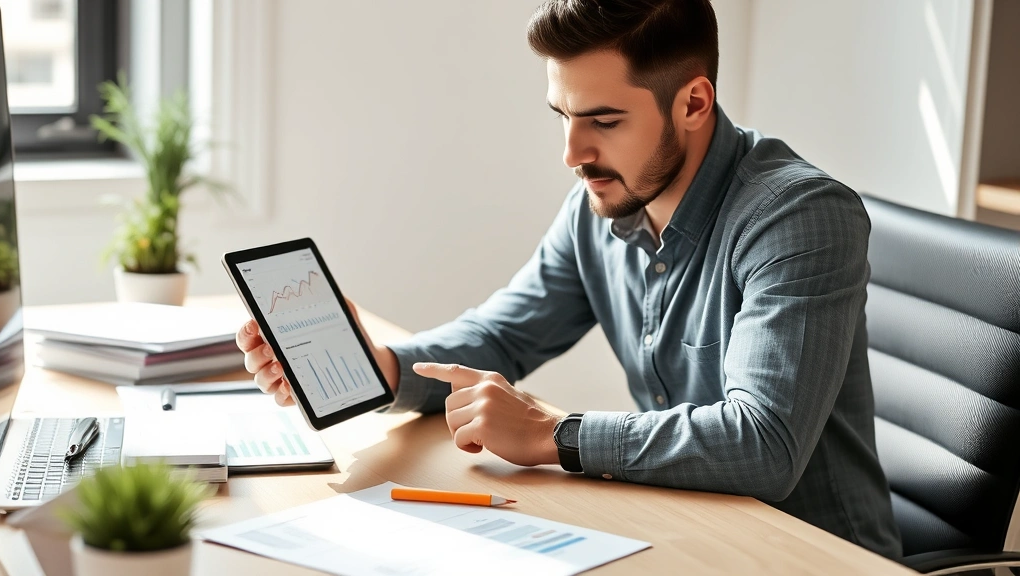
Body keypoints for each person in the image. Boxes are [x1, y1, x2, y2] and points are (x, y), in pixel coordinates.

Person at [236, 0, 901, 558]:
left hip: (813, 555)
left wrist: (556, 434)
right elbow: (501, 336)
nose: (573, 155)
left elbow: (763, 444)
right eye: (563, 116)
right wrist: (384, 369)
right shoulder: (602, 200)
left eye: (605, 122)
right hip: (695, 532)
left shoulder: (800, 217)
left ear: (694, 102)